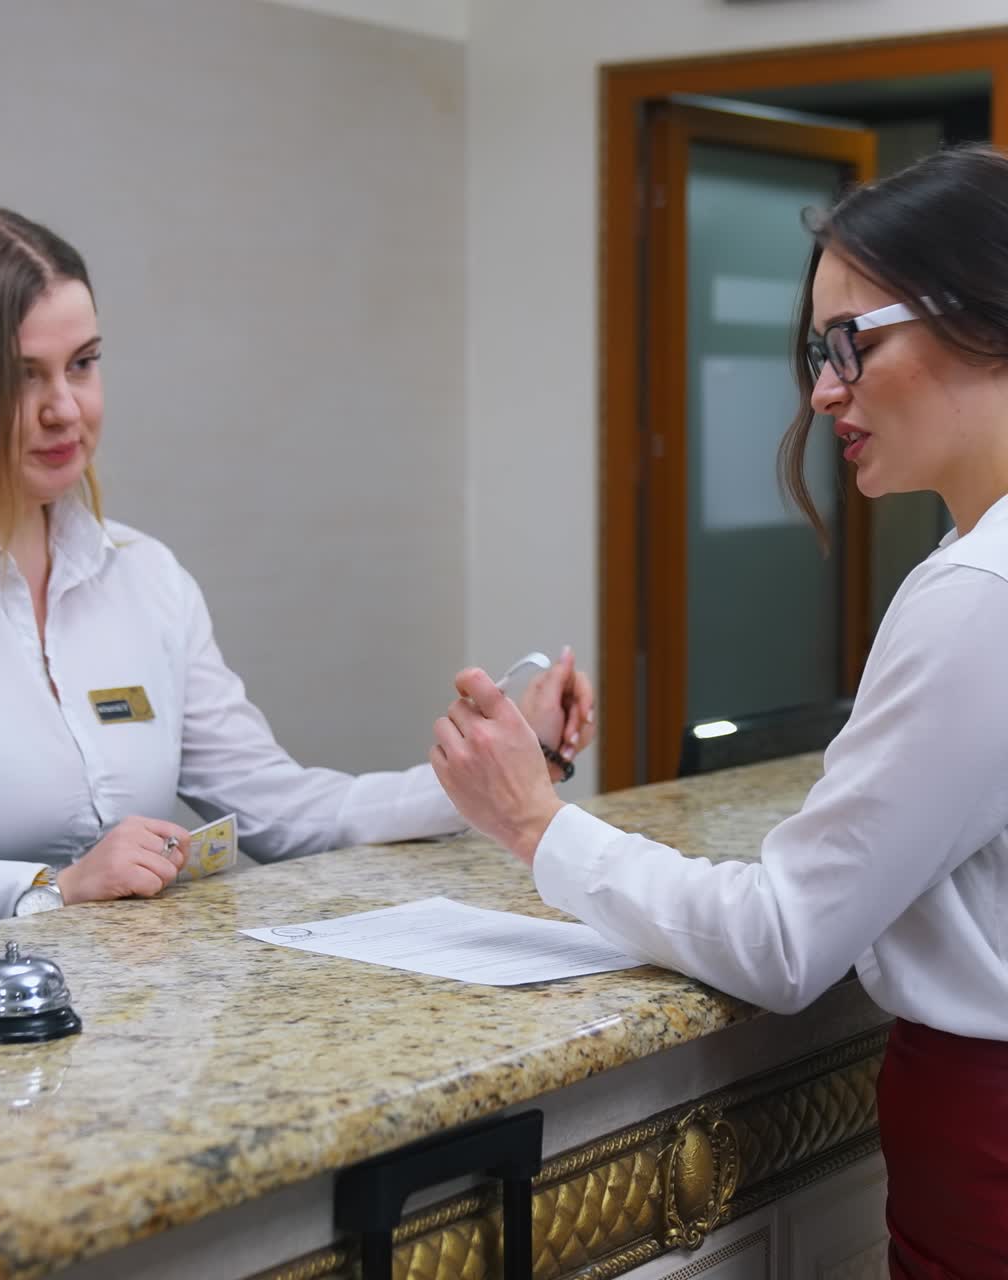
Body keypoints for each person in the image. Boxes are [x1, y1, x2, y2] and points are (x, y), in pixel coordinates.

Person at [0, 205, 594, 976]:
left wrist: (509, 767)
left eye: (84, 364)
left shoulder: (142, 574)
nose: (65, 408)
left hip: (82, 1020)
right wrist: (44, 890)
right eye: (21, 375)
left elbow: (280, 808)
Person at [431, 143, 1008, 1278]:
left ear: (981, 314)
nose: (821, 388)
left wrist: (534, 823)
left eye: (852, 341)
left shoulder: (978, 594)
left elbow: (783, 940)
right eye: (813, 350)